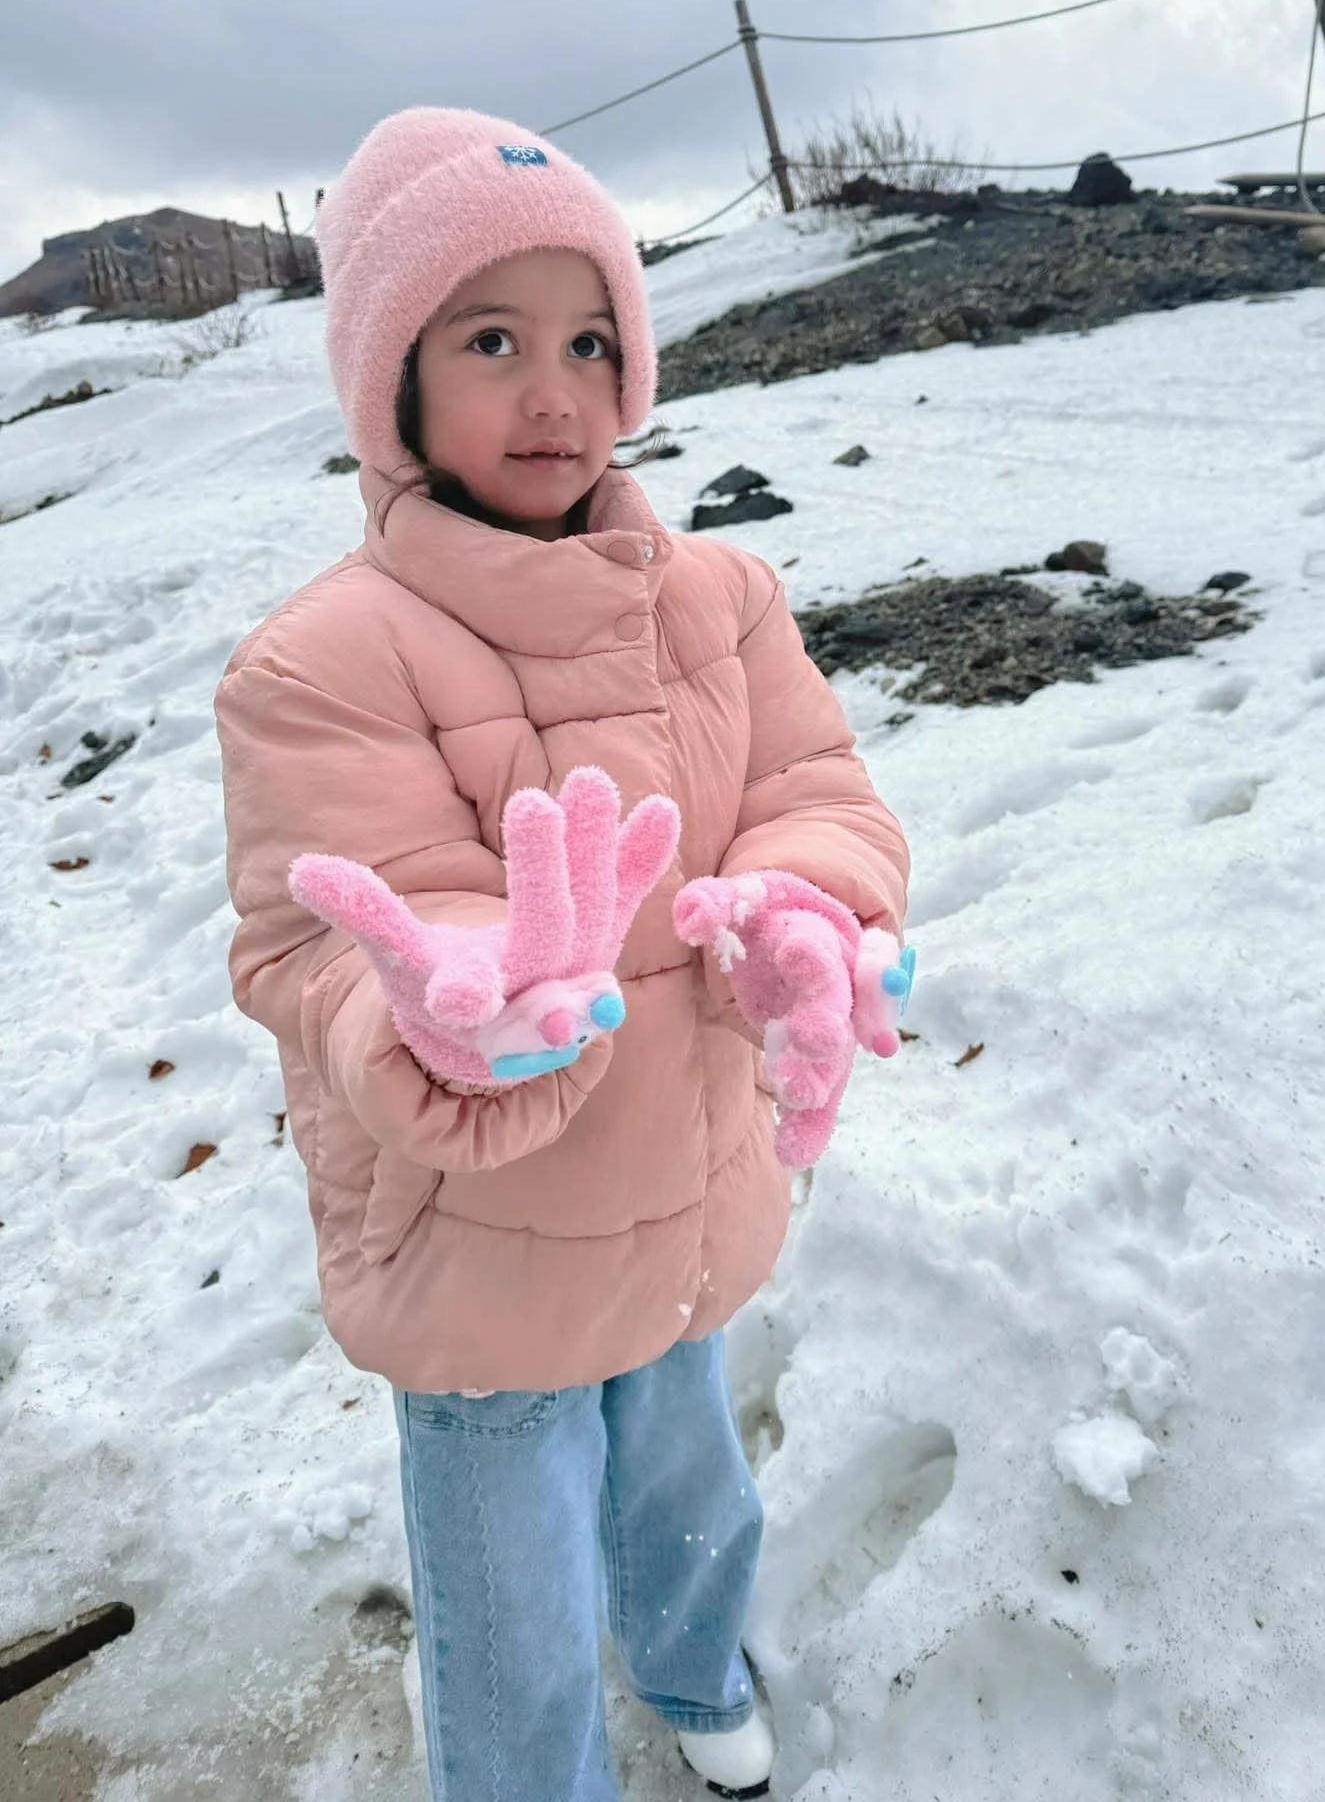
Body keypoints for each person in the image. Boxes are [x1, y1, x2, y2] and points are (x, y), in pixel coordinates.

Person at [215, 107, 910, 1802]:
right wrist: (454, 1001)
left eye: (591, 339)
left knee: (686, 1468)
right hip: (482, 1228)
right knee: (510, 1587)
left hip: (683, 1167)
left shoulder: (721, 598)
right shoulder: (324, 663)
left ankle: (690, 1661)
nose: (555, 390)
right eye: (491, 339)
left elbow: (811, 787)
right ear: (392, 386)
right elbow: (319, 931)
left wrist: (812, 909)